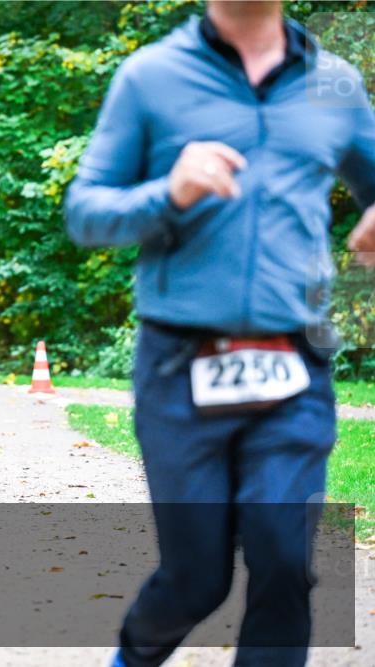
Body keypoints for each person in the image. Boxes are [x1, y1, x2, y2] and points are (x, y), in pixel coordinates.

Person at [63, 2, 375, 666]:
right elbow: (85, 212)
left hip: (295, 362)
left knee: (286, 561)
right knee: (196, 578)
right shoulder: (151, 77)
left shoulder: (335, 84)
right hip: (179, 366)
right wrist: (166, 193)